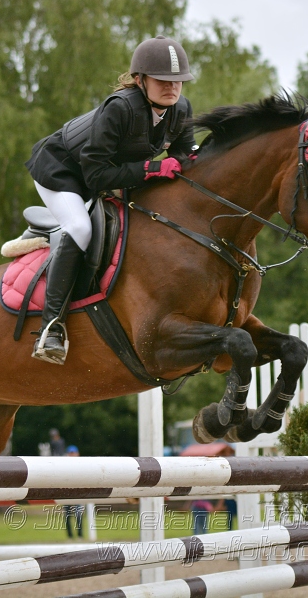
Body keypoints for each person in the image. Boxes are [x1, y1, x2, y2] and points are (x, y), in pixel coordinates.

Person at [25, 35, 196, 364]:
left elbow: (184, 157)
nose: (172, 87)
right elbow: (95, 176)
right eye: (162, 80)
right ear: (139, 80)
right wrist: (152, 168)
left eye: (178, 80)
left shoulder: (181, 110)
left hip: (102, 173)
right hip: (61, 171)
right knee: (79, 228)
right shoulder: (120, 108)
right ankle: (51, 328)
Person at [64, 445, 84, 538]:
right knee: (67, 515)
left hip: (78, 493)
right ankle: (70, 536)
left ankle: (80, 535)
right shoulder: (64, 466)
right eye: (71, 453)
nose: (72, 455)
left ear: (77, 454)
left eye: (74, 453)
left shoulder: (82, 465)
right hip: (66, 493)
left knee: (78, 514)